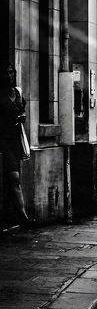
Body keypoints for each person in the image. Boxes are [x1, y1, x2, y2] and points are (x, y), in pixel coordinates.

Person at [0, 63, 33, 229]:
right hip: (3, 140)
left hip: (15, 140)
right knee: (14, 178)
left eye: (11, 72)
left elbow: (23, 111)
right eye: (6, 73)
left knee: (13, 180)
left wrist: (23, 116)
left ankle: (14, 215)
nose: (9, 75)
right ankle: (23, 217)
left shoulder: (18, 93)